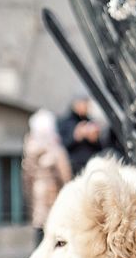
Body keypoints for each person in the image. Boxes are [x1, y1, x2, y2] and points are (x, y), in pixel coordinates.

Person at [22, 109, 72, 245]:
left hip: (37, 193)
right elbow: (65, 174)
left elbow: (27, 176)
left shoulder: (30, 149)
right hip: (53, 193)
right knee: (53, 229)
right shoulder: (55, 149)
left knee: (40, 226)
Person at [56, 97, 107, 175]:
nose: (86, 108)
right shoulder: (65, 122)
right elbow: (61, 146)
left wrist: (94, 139)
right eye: (84, 105)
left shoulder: (89, 121)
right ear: (76, 105)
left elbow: (100, 146)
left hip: (91, 163)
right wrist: (76, 136)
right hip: (73, 165)